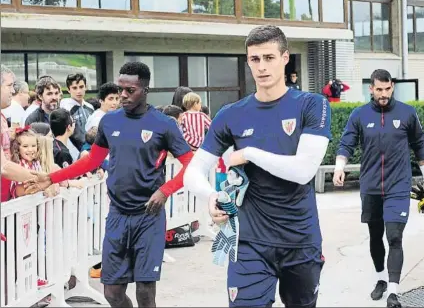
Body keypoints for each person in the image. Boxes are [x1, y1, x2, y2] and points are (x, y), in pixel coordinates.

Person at [183, 25, 331, 308]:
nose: (261, 67)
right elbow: (193, 171)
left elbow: (303, 171)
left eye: (269, 57)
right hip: (248, 242)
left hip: (300, 240)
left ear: (285, 58)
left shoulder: (312, 105)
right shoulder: (232, 114)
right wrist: (211, 197)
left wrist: (250, 152)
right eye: (254, 59)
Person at [24, 61, 193, 308]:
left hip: (149, 217)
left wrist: (165, 190)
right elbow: (92, 160)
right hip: (117, 216)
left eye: (130, 90)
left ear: (145, 89)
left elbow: (191, 164)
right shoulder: (110, 122)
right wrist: (51, 177)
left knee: (145, 293)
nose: (123, 95)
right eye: (120, 89)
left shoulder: (164, 124)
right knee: (112, 292)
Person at [333, 69, 424, 308]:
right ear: (371, 89)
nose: (383, 94)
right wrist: (339, 166)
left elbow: (420, 146)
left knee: (394, 236)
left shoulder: (407, 113)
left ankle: (393, 291)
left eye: (387, 89)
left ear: (392, 87)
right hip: (371, 187)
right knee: (375, 237)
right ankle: (380, 279)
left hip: (398, 185)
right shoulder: (360, 115)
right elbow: (346, 142)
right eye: (379, 90)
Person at [1, 65, 38, 202]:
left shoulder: (2, 117)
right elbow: (3, 166)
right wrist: (41, 180)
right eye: (9, 85)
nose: (13, 90)